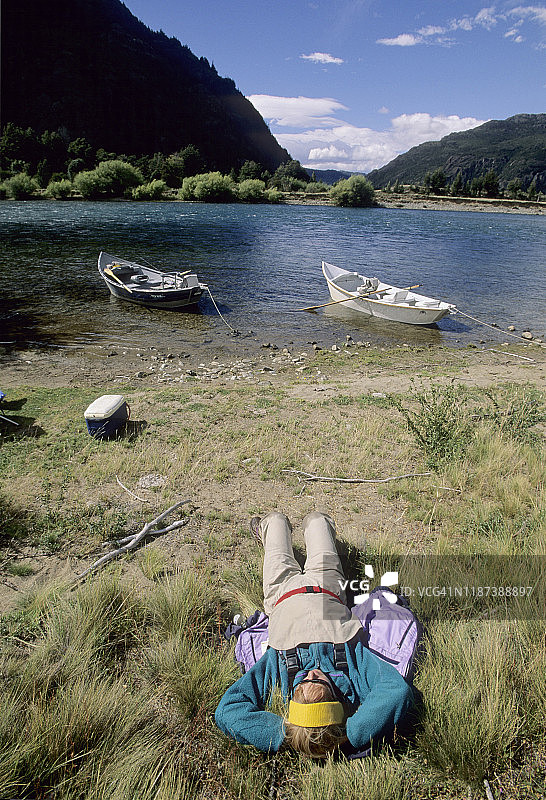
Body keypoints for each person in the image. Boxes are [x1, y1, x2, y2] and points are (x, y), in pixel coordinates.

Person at [215, 511, 414, 758]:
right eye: (319, 682)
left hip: (280, 591)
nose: (311, 675)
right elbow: (396, 691)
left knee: (276, 521)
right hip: (326, 585)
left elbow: (227, 711)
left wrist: (283, 734)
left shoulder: (277, 671)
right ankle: (318, 531)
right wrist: (351, 734)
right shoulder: (354, 665)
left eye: (303, 684)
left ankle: (267, 531)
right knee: (317, 520)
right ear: (337, 701)